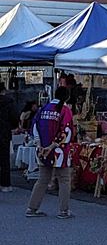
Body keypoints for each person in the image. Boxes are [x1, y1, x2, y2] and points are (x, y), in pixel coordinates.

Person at [25, 87, 76, 218]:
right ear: (67, 97)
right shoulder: (65, 110)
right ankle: (63, 210)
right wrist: (52, 146)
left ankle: (32, 208)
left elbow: (34, 127)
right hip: (59, 151)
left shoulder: (43, 108)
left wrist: (40, 145)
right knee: (64, 179)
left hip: (42, 149)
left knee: (42, 179)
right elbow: (66, 132)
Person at [0, 83, 18, 192]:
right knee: (4, 159)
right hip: (4, 132)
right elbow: (14, 117)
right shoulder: (9, 102)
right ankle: (5, 184)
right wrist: (13, 126)